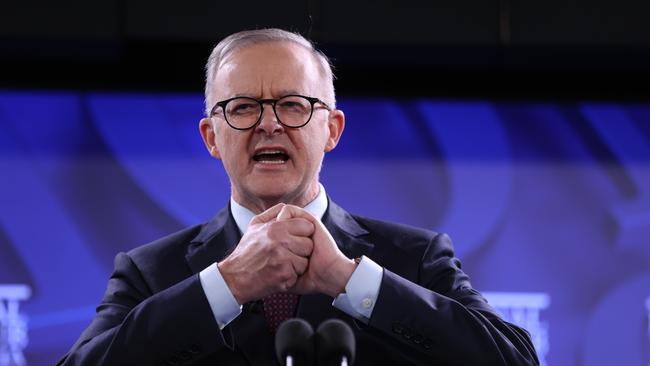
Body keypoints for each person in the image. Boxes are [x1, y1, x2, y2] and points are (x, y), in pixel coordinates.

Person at [58, 28, 539, 366]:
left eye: (293, 105)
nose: (269, 123)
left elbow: (516, 359)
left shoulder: (413, 258)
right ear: (210, 136)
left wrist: (349, 280)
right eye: (243, 107)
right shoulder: (151, 272)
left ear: (331, 129)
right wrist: (226, 285)